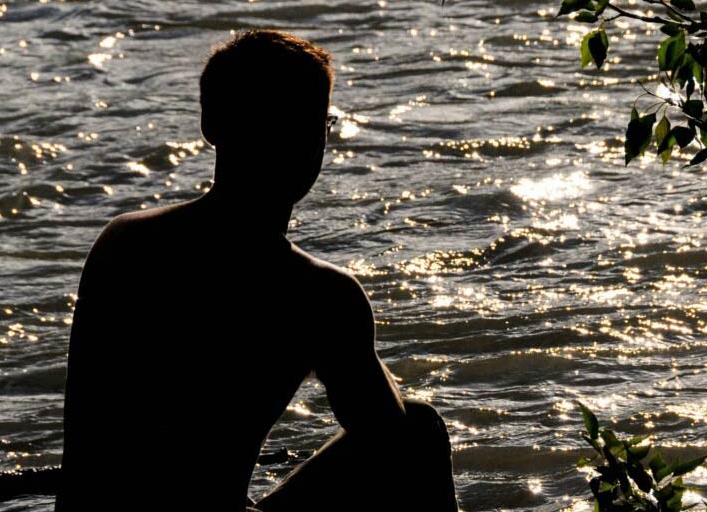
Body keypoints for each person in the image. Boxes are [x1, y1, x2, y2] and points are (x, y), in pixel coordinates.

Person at [55, 30, 459, 511]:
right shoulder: (318, 294)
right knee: (420, 428)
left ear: (212, 124)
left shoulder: (123, 242)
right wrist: (353, 344)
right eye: (301, 124)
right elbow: (390, 437)